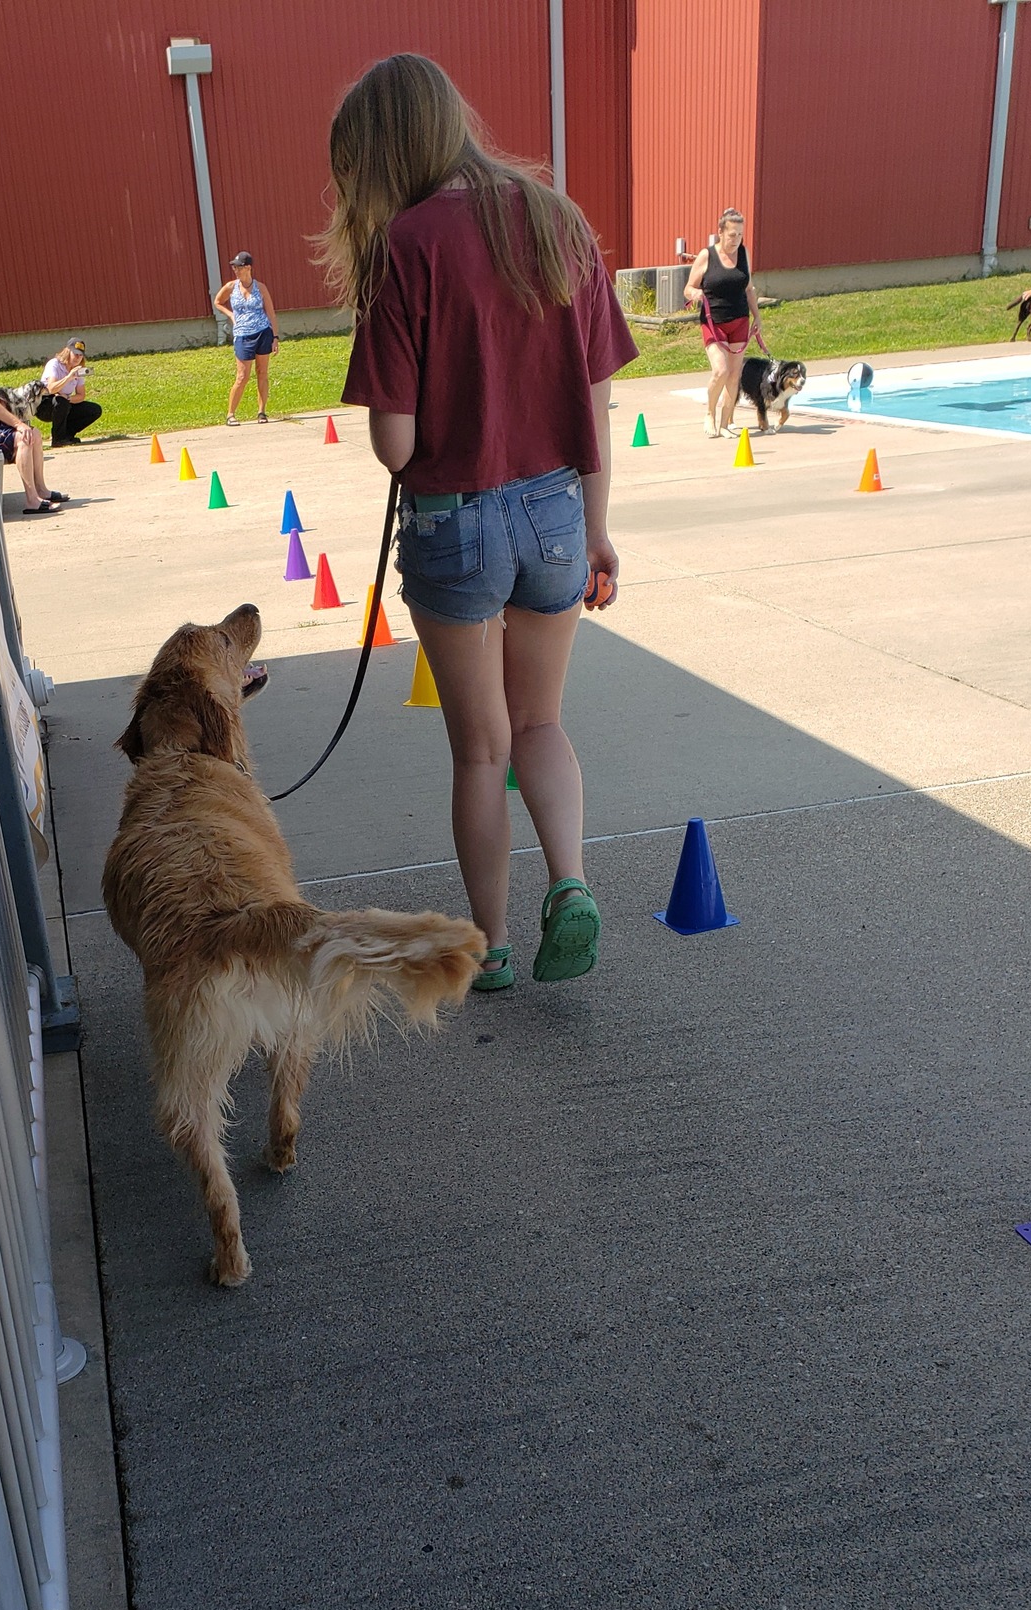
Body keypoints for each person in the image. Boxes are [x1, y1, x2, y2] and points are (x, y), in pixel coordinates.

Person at [331, 53, 636, 992]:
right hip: (554, 509)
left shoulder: (408, 246)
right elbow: (596, 397)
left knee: (480, 746)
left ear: (385, 152)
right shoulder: (559, 222)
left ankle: (492, 947)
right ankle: (572, 884)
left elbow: (393, 443)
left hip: (453, 521)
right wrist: (596, 526)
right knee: (543, 721)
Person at [0, 310, 64, 514]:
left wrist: (16, 423)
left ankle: (42, 491)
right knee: (23, 438)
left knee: (34, 435)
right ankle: (31, 500)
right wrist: (18, 424)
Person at [683, 209, 765, 437]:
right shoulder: (707, 255)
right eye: (732, 235)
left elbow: (749, 289)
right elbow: (688, 288)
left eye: (739, 234)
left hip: (739, 319)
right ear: (720, 232)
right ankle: (710, 413)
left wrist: (757, 317)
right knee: (721, 370)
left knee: (734, 374)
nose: (736, 239)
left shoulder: (743, 253)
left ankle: (726, 421)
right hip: (713, 321)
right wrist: (695, 294)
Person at [212, 253, 279, 423]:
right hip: (243, 335)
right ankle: (230, 414)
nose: (236, 270)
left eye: (239, 267)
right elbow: (218, 302)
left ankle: (262, 412)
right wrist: (231, 315)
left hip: (263, 333)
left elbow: (270, 313)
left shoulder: (261, 288)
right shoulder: (231, 287)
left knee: (262, 372)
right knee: (242, 376)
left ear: (248, 267)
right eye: (234, 267)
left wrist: (275, 337)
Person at [42, 338, 102, 446]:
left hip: (64, 403)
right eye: (75, 354)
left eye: (81, 355)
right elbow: (51, 388)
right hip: (45, 404)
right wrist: (69, 377)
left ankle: (67, 435)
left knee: (94, 410)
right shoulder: (54, 364)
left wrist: (68, 398)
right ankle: (58, 439)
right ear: (67, 351)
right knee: (60, 401)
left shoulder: (79, 370)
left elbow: (81, 395)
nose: (78, 358)